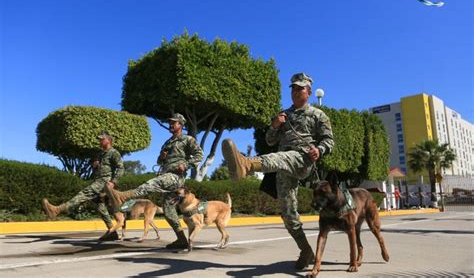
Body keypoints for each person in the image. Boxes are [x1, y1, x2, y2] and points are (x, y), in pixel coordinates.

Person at [221, 73, 334, 270]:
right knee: (288, 214)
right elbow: (270, 141)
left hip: (303, 159)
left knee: (283, 157)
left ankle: (247, 164)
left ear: (308, 92)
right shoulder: (284, 114)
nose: (295, 92)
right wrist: (275, 125)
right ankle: (306, 251)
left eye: (299, 88)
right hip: (283, 167)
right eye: (293, 88)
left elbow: (329, 141)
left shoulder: (318, 115)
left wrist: (319, 149)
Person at [104, 113, 203, 249]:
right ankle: (181, 239)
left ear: (180, 125)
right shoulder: (168, 142)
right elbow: (159, 161)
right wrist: (162, 157)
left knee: (153, 183)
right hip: (165, 175)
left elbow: (199, 155)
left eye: (174, 123)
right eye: (170, 122)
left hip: (175, 177)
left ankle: (124, 195)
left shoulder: (187, 139)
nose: (171, 125)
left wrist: (186, 165)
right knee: (168, 212)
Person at [42, 131, 125, 240]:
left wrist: (113, 182)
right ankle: (112, 231)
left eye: (102, 139)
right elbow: (99, 168)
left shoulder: (114, 153)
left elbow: (120, 168)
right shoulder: (101, 154)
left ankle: (57, 210)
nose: (100, 141)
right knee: (100, 206)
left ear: (108, 140)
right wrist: (95, 166)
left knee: (83, 194)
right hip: (98, 180)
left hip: (104, 182)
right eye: (99, 139)